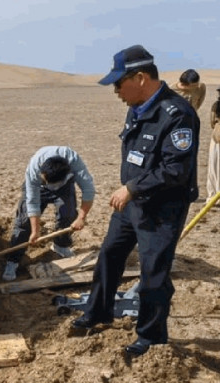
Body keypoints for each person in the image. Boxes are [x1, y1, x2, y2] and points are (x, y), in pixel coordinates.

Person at [72, 45, 200, 357]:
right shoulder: (138, 107)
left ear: (140, 77)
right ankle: (98, 311)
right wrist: (130, 192)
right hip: (132, 205)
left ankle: (151, 337)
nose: (115, 90)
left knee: (153, 274)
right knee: (110, 256)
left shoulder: (178, 114)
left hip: (161, 209)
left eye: (119, 83)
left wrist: (131, 188)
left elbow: (176, 170)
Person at [2, 146, 95, 281]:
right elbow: (32, 201)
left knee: (68, 215)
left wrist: (82, 217)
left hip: (64, 187)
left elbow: (89, 190)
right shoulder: (34, 169)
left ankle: (60, 245)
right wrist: (35, 231)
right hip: (38, 188)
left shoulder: (74, 162)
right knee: (24, 223)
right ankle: (13, 260)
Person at [207, 89, 220, 205]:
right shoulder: (216, 106)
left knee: (214, 168)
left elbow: (211, 122)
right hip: (217, 137)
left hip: (216, 137)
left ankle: (213, 196)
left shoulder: (216, 106)